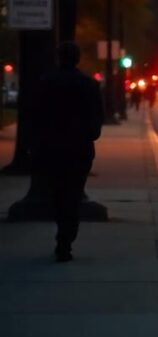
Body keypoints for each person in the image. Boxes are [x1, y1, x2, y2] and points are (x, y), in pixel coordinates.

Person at [33, 42, 104, 262]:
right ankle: (66, 239)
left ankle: (63, 234)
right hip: (79, 149)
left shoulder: (46, 83)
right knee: (73, 194)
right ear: (78, 58)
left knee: (57, 193)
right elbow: (96, 120)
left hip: (51, 149)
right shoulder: (89, 85)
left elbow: (35, 116)